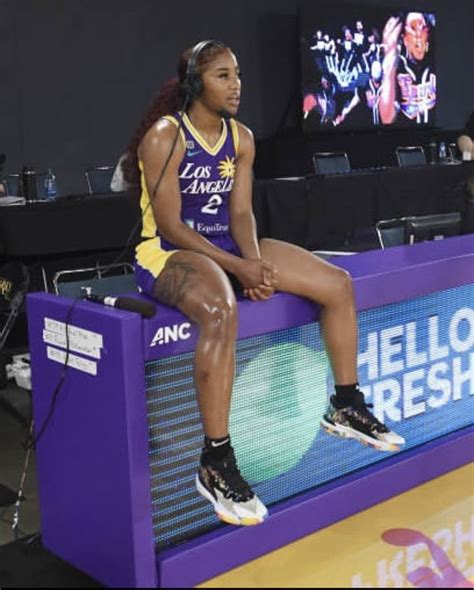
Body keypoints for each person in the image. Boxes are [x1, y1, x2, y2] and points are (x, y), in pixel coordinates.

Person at [124, 40, 405, 527]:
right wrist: (238, 271)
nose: (236, 86)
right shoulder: (166, 136)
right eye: (223, 77)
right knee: (219, 309)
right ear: (195, 83)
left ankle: (345, 404)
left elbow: (239, 213)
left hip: (226, 251)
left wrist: (252, 262)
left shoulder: (243, 138)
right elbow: (170, 226)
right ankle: (214, 460)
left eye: (238, 75)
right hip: (168, 254)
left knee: (337, 285)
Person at [379, 12, 436, 125]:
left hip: (435, 137)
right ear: (404, 39)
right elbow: (386, 118)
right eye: (413, 28)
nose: (418, 34)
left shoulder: (435, 61)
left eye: (423, 27)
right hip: (405, 138)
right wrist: (390, 56)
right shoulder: (398, 66)